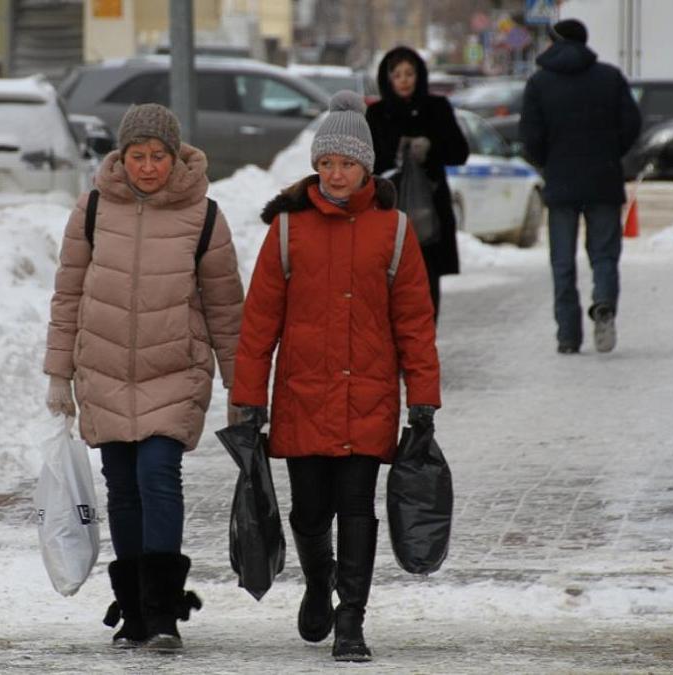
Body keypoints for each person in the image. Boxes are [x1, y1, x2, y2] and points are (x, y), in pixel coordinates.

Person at [232, 91, 441, 662]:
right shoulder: (287, 230)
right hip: (302, 395)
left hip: (369, 395)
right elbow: (259, 324)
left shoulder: (393, 231)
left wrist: (422, 398)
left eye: (347, 163)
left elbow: (415, 323)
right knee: (308, 510)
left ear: (366, 166)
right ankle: (318, 580)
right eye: (326, 163)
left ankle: (351, 621)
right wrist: (249, 399)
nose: (336, 174)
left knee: (356, 508)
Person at [43, 103, 245, 651]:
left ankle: (161, 614)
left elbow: (226, 308)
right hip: (104, 369)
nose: (149, 167)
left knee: (158, 474)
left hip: (173, 370)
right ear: (122, 156)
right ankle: (133, 612)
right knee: (123, 487)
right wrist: (59, 373)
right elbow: (67, 296)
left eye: (159, 156)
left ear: (175, 156)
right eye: (138, 156)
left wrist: (240, 385)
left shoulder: (204, 216)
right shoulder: (91, 210)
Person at [518, 19, 641, 354]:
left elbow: (530, 136)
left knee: (562, 262)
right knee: (604, 255)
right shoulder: (610, 77)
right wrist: (611, 152)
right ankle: (604, 303)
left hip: (560, 181)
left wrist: (548, 161)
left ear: (556, 42)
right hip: (604, 178)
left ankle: (568, 335)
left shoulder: (539, 82)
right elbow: (632, 123)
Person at [366, 45, 470, 321]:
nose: (404, 80)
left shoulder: (436, 109)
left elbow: (459, 153)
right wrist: (396, 152)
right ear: (387, 78)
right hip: (388, 213)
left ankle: (424, 343)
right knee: (389, 287)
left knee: (426, 286)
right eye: (397, 74)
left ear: (419, 75)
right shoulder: (376, 114)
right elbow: (368, 162)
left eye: (409, 73)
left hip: (428, 213)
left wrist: (430, 149)